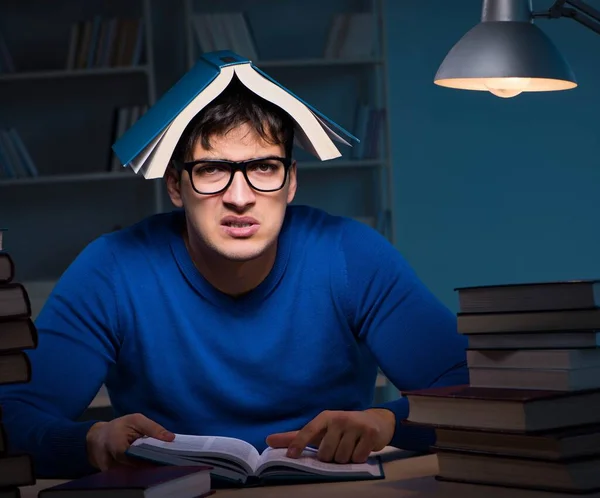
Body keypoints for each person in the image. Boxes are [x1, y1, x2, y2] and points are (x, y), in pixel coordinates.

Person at [0, 77, 468, 479]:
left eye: (264, 167)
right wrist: (90, 441)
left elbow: (476, 391)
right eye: (212, 170)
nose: (239, 197)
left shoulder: (351, 254)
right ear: (175, 185)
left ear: (291, 182)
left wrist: (389, 420)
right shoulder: (113, 268)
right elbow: (13, 416)